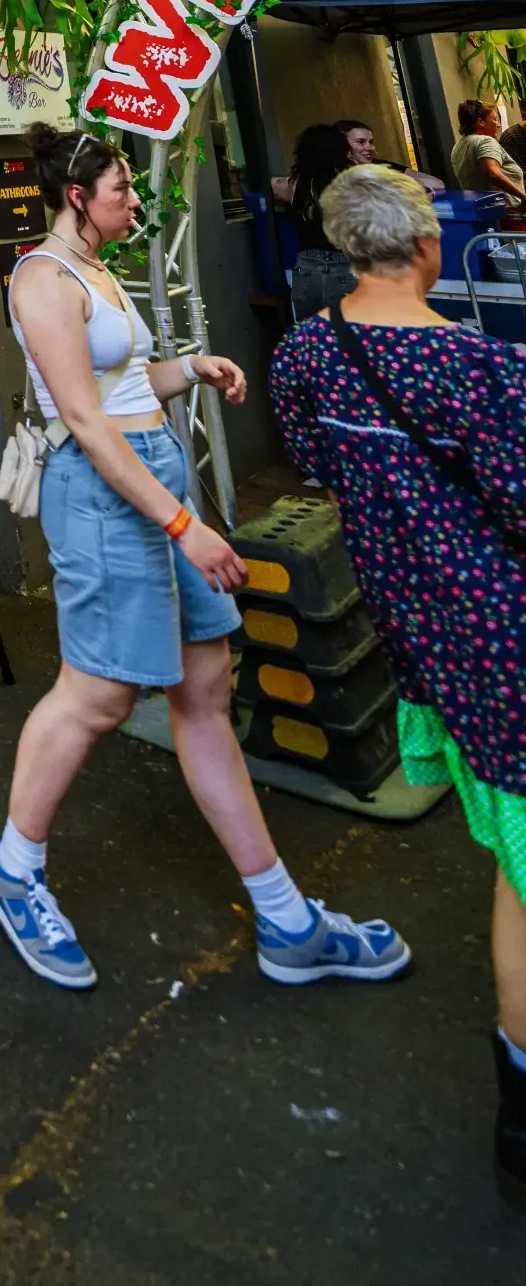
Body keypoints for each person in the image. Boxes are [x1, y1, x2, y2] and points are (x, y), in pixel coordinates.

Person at [0, 124, 409, 994]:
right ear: (76, 198)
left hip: (153, 476)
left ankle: (286, 919)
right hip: (108, 498)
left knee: (205, 689)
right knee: (98, 696)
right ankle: (14, 870)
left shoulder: (100, 271)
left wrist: (192, 369)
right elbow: (90, 424)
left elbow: (128, 388)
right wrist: (186, 526)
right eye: (118, 192)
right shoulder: (41, 279)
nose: (135, 203)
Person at [268, 165, 526, 1199]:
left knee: (514, 864)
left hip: (418, 637)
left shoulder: (303, 354)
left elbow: (313, 466)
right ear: (424, 246)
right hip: (505, 636)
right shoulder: (481, 369)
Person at [285, 120, 368, 319]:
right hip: (344, 266)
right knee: (348, 341)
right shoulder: (352, 184)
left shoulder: (295, 186)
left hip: (306, 268)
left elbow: (270, 186)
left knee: (312, 339)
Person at [452, 98, 526, 203]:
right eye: (494, 119)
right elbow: (493, 174)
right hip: (509, 212)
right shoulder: (485, 141)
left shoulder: (459, 146)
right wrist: (523, 196)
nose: (498, 124)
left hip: (483, 209)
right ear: (481, 122)